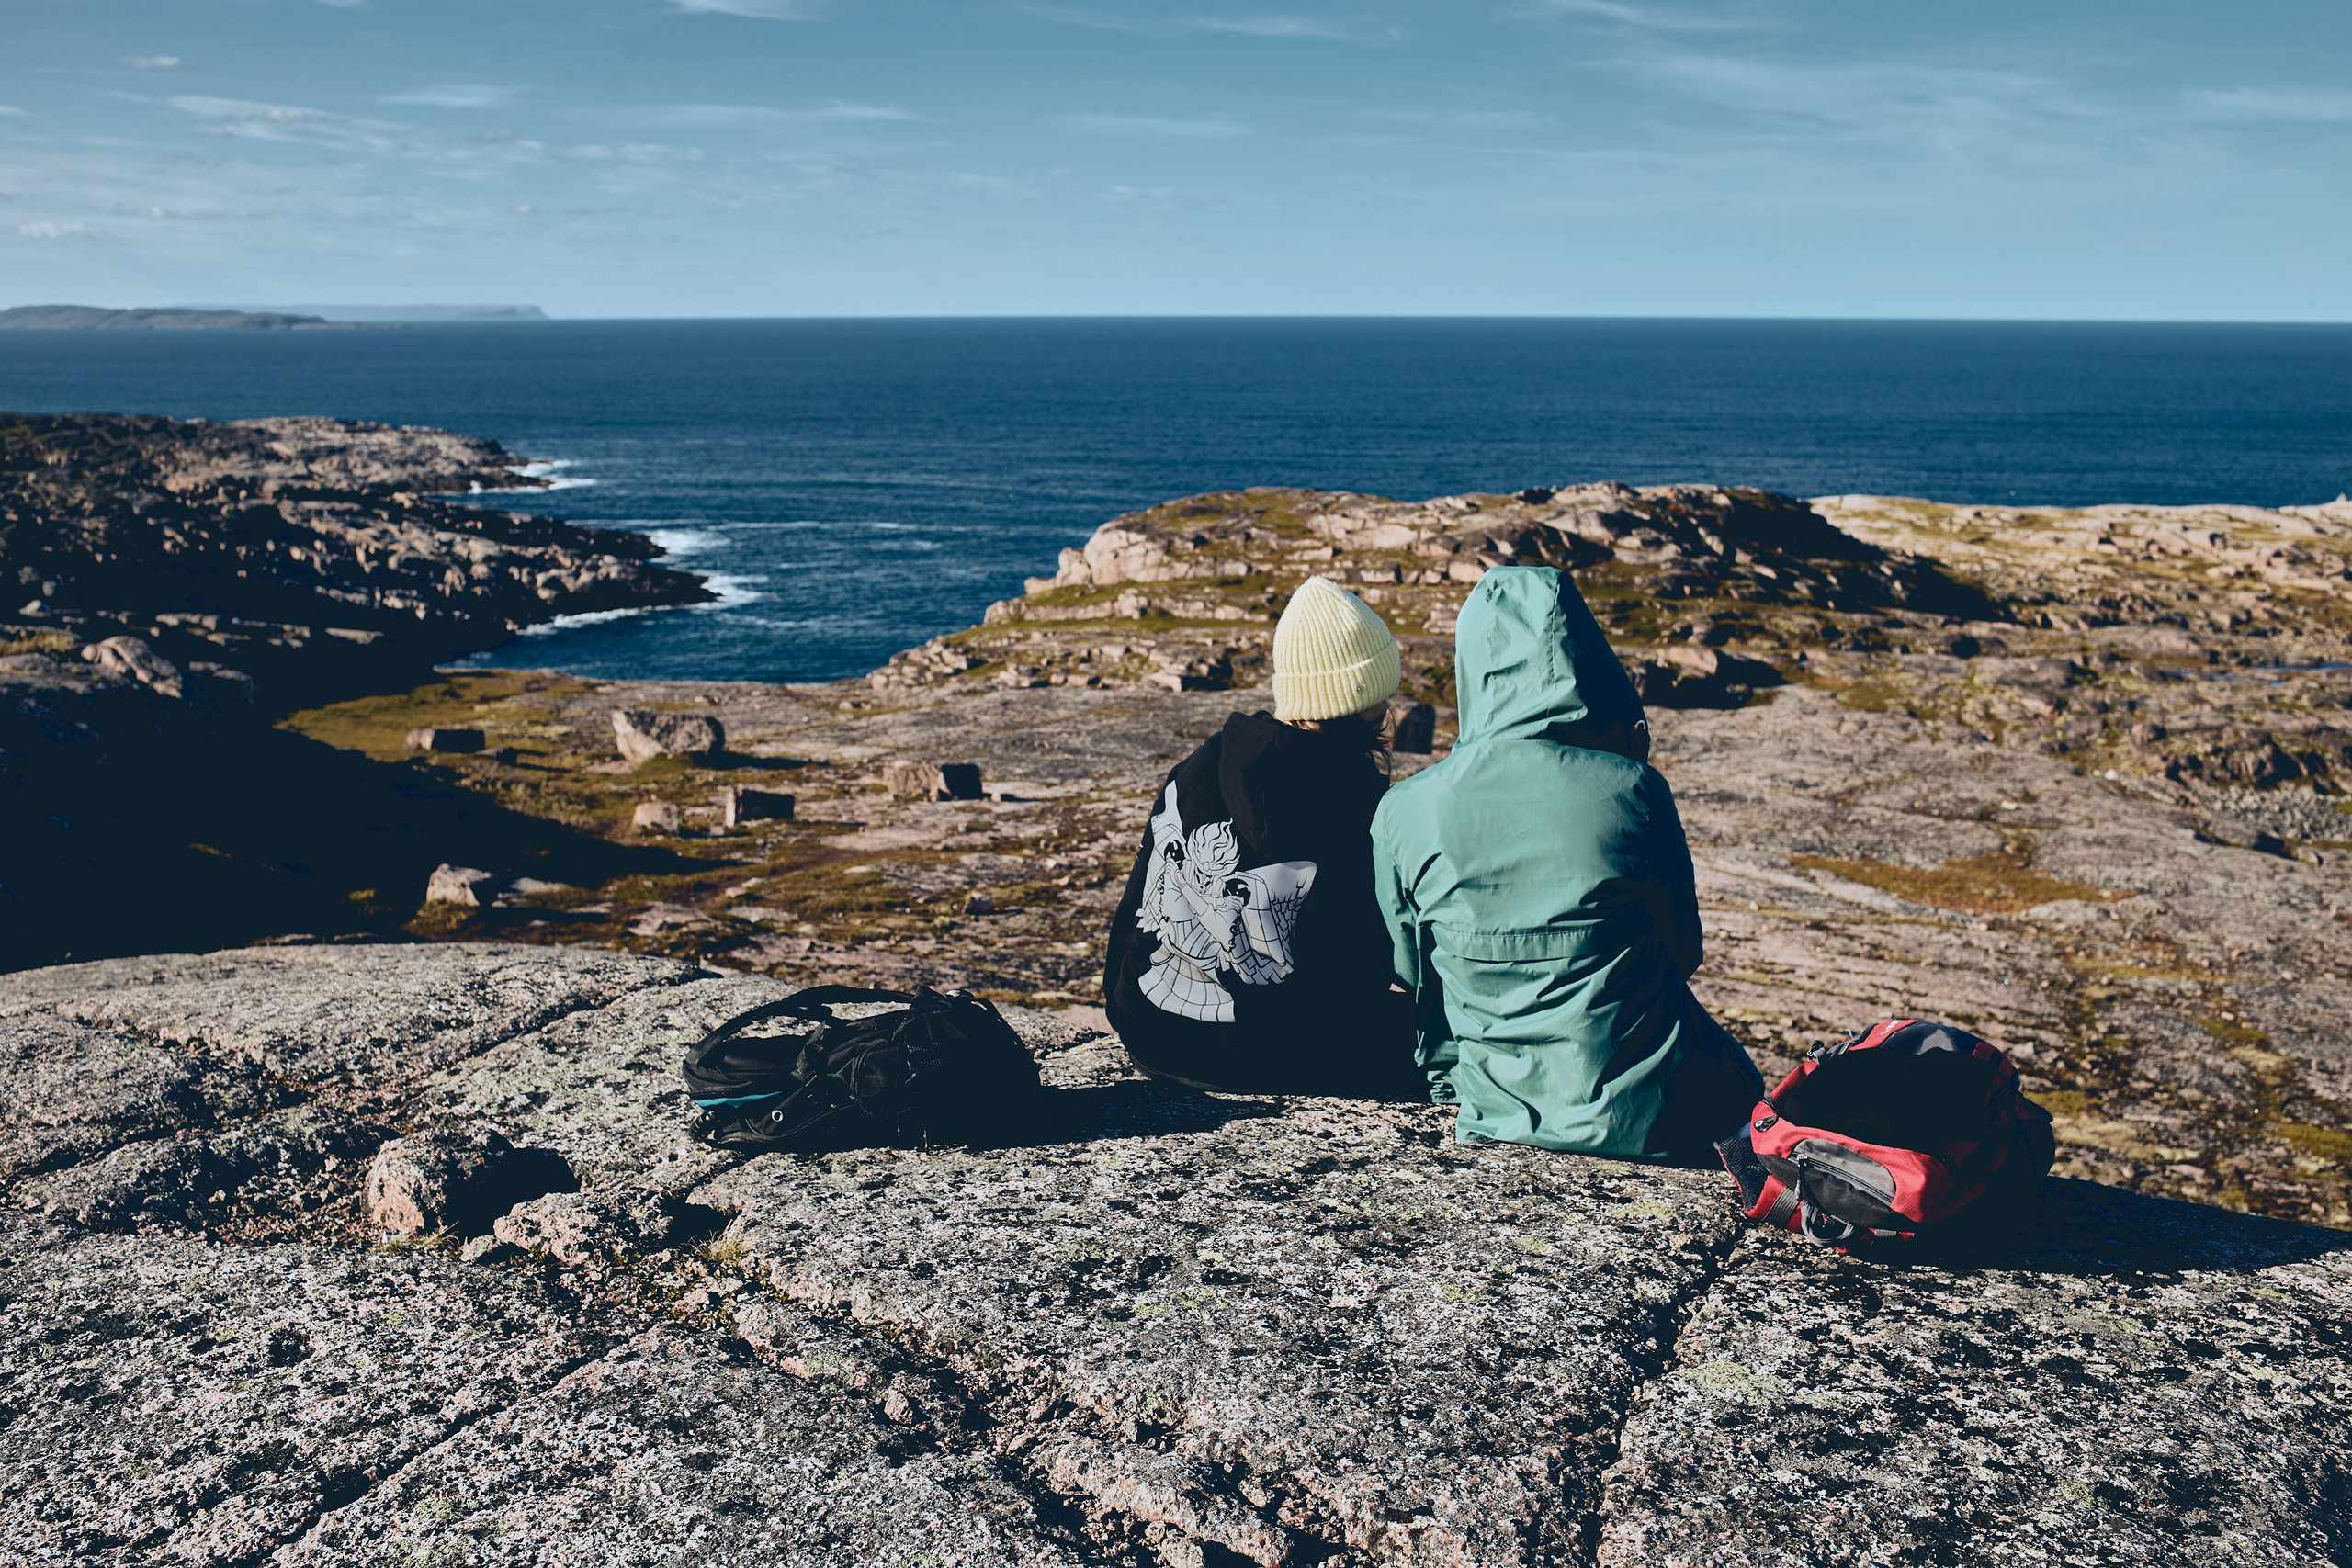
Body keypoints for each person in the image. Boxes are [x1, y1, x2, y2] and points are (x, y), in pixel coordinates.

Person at [1370, 565, 1765, 1160]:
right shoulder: (1635, 788)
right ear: (1585, 657)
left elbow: (1413, 970)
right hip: (1648, 1115)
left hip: (1490, 1104)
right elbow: (1684, 951)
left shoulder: (1406, 810)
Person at [1103, 576, 1418, 1095]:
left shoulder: (1199, 767)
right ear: (1370, 701)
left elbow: (1135, 909)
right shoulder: (1360, 807)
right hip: (1269, 1057)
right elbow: (1361, 970)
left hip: (1151, 1031)